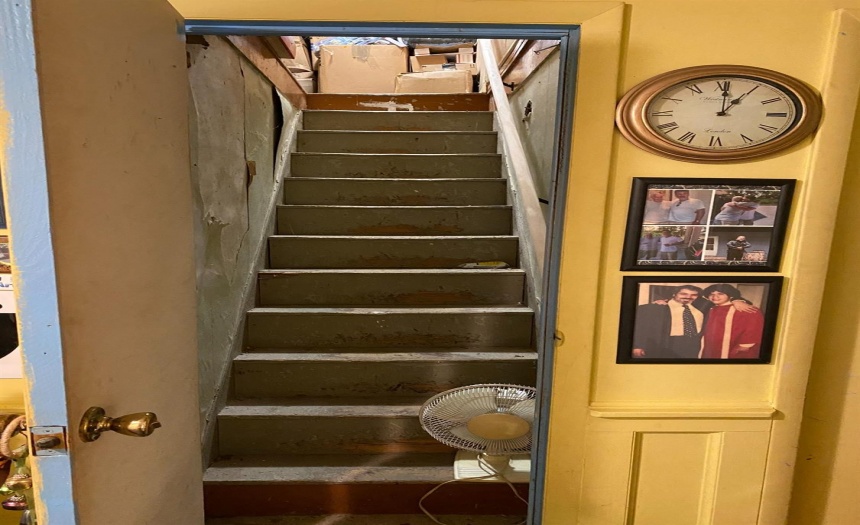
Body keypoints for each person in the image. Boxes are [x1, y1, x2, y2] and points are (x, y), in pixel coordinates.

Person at [632, 285, 704, 359]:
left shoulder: (699, 310)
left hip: (692, 345)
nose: (688, 297)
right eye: (683, 294)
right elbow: (640, 327)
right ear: (674, 294)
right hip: (667, 343)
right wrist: (637, 346)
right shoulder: (656, 307)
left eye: (694, 295)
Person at [700, 284, 764, 359]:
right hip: (712, 346)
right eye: (711, 294)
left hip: (735, 347)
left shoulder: (744, 308)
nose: (715, 297)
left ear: (730, 295)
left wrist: (746, 345)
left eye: (720, 294)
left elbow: (754, 327)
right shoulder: (712, 308)